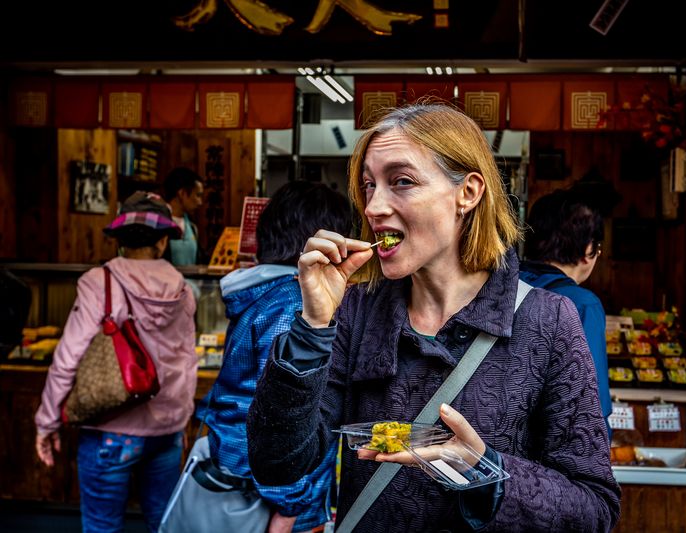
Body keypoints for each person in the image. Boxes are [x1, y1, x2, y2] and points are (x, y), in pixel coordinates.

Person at [247, 103, 620, 532]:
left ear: (469, 192)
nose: (373, 207)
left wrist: (482, 471)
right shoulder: (357, 310)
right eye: (369, 186)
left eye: (401, 182)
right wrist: (312, 326)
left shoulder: (549, 320)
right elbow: (278, 463)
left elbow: (595, 510)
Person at [35, 191, 197, 533]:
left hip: (110, 432)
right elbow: (186, 362)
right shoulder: (182, 288)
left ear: (120, 240)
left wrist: (47, 422)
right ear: (163, 241)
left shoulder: (100, 282)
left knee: (102, 528)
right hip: (166, 431)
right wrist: (182, 421)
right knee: (163, 526)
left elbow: (68, 358)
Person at [198, 181, 351, 533]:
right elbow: (281, 410)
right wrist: (289, 505)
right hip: (274, 495)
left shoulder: (262, 292)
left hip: (242, 468)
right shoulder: (293, 303)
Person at [519, 189, 613, 439]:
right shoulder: (582, 304)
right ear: (588, 249)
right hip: (547, 455)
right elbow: (592, 405)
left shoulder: (496, 287)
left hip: (488, 446)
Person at [163, 167, 204, 265]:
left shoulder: (192, 227)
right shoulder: (159, 224)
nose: (200, 202)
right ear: (182, 193)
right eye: (198, 195)